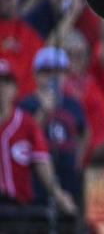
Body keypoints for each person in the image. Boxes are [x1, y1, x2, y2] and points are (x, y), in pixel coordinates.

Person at [0, 58, 76, 215]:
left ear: (15, 88)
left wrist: (59, 195)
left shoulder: (27, 123)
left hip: (18, 210)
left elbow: (42, 163)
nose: (1, 88)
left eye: (6, 82)